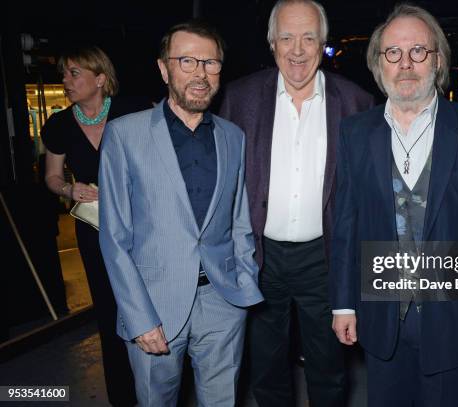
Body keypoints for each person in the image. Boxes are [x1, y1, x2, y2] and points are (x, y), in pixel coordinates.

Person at [330, 4, 458, 406]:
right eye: (393, 53)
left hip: (456, 322)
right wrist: (343, 303)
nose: (406, 63)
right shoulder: (355, 133)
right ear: (379, 64)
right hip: (381, 320)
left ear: (438, 60)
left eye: (418, 51)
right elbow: (346, 224)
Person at [98, 20, 263, 406]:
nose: (200, 73)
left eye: (211, 63)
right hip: (154, 306)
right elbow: (114, 238)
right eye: (187, 61)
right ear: (163, 68)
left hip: (223, 301)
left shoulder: (232, 136)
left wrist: (243, 283)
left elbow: (240, 220)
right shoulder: (124, 135)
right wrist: (139, 317)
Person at [219, 1, 374, 405]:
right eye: (286, 37)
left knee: (328, 368)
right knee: (266, 369)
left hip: (323, 259)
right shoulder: (240, 98)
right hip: (259, 257)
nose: (297, 49)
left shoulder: (357, 102)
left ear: (323, 43)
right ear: (272, 44)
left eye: (308, 37)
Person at [41, 45, 148, 407]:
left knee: (150, 304)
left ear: (100, 78)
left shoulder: (134, 111)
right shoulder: (58, 125)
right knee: (108, 310)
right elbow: (52, 177)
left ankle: (158, 387)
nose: (66, 81)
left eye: (74, 73)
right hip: (95, 229)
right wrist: (69, 188)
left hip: (143, 228)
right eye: (65, 73)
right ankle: (122, 396)